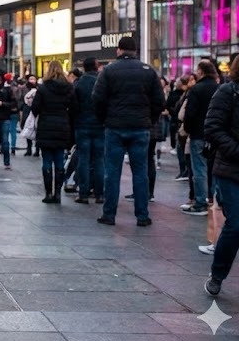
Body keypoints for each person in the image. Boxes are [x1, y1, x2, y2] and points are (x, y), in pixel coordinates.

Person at [94, 37, 165, 227]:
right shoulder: (148, 72)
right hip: (140, 127)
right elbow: (159, 100)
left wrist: (105, 120)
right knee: (140, 172)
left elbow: (98, 99)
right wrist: (149, 119)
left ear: (119, 50)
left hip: (115, 127)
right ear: (135, 51)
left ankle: (109, 214)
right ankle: (142, 216)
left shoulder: (108, 71)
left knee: (112, 172)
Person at [202, 44, 239, 302]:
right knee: (238, 224)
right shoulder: (229, 92)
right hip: (233, 169)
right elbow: (212, 128)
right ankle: (217, 275)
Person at [31, 61, 77, 204]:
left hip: (46, 126)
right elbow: (75, 107)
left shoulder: (43, 88)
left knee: (46, 161)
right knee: (59, 160)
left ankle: (48, 193)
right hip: (62, 126)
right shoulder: (69, 88)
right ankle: (58, 193)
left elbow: (35, 108)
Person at [181, 60, 220, 216]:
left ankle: (200, 202)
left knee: (199, 169)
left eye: (197, 70)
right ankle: (213, 199)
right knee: (213, 168)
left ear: (202, 71)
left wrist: (188, 130)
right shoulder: (219, 88)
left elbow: (190, 114)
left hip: (198, 133)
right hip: (215, 135)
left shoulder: (197, 89)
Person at [71, 58, 104, 204]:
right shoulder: (102, 82)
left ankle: (83, 193)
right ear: (96, 67)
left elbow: (73, 105)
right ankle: (99, 194)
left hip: (82, 124)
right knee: (99, 160)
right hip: (100, 125)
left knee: (83, 159)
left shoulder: (79, 83)